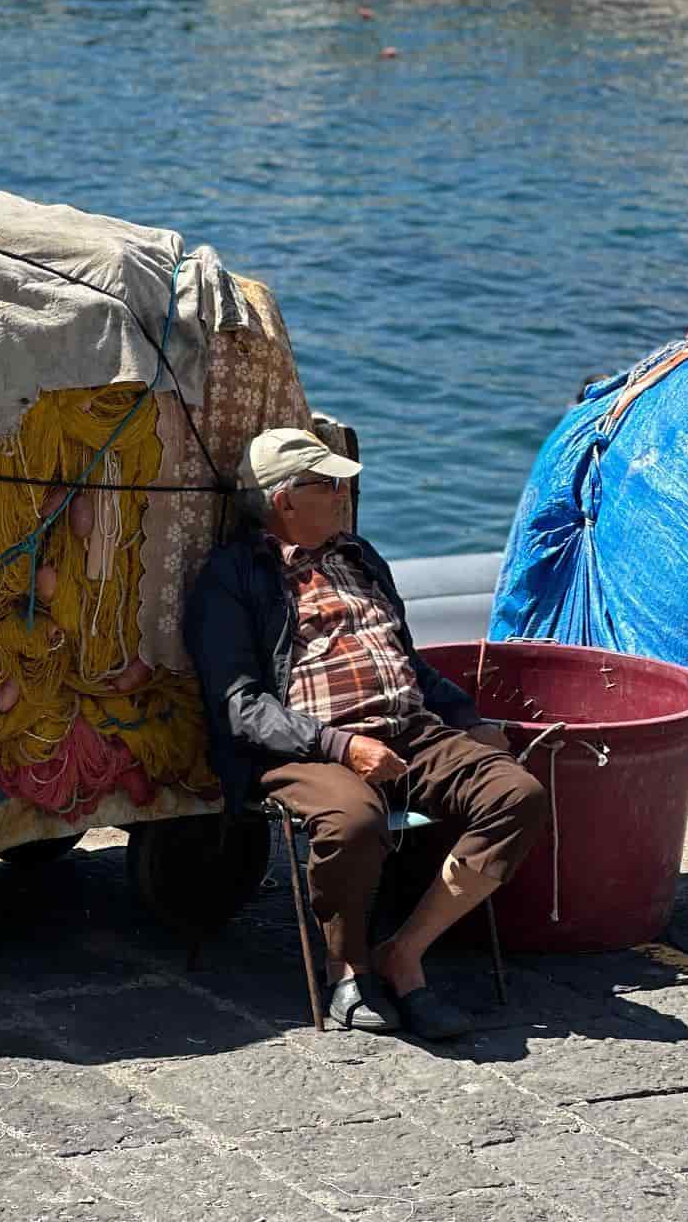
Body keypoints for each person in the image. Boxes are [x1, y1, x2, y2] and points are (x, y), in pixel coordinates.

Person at [185, 426, 548, 1041]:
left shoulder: (360, 557)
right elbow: (241, 706)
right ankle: (346, 969)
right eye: (326, 484)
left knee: (517, 796)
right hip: (309, 744)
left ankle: (404, 952)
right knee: (353, 820)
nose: (341, 495)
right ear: (284, 500)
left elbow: (410, 661)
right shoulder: (234, 577)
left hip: (409, 730)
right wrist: (341, 746)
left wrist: (469, 719)